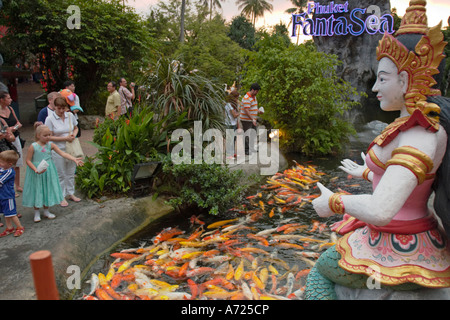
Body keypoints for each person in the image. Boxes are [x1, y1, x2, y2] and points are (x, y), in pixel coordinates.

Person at [304, 1, 450, 299]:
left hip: (403, 238)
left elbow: (382, 209)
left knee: (321, 269)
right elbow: (407, 182)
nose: (374, 88)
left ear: (407, 80)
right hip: (409, 228)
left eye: (382, 78)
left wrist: (333, 201)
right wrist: (367, 171)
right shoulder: (417, 124)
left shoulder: (420, 135)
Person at [22, 125, 83, 222]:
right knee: (37, 189)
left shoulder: (51, 145)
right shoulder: (33, 146)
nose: (48, 137)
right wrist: (36, 169)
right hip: (37, 171)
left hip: (48, 170)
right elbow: (28, 160)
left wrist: (74, 158)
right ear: (38, 135)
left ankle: (46, 210)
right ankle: (36, 212)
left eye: (49, 135)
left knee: (47, 189)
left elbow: (63, 153)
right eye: (45, 135)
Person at [44, 97, 80, 207]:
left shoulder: (70, 115)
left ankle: (71, 193)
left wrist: (74, 134)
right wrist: (64, 139)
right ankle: (61, 196)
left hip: (70, 147)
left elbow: (76, 127)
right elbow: (48, 137)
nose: (61, 111)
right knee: (60, 173)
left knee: (70, 172)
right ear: (55, 107)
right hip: (58, 149)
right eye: (59, 108)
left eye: (63, 108)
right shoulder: (50, 119)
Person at [0, 91, 23, 195]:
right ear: (2, 100)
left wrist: (12, 129)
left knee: (16, 162)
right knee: (5, 164)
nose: (11, 100)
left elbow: (18, 123)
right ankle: (8, 188)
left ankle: (17, 185)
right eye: (8, 98)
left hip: (12, 138)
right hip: (3, 144)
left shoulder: (11, 108)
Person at [0, 150, 24, 237]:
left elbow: (1, 181)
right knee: (6, 213)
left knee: (12, 213)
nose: (0, 163)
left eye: (2, 162)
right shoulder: (2, 169)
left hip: (7, 196)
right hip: (2, 196)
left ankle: (20, 227)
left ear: (9, 164)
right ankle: (9, 228)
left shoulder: (9, 172)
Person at [240, 83, 262, 155]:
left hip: (253, 119)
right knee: (247, 134)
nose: (257, 93)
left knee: (253, 133)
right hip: (246, 120)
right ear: (253, 90)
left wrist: (258, 111)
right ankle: (246, 150)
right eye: (256, 91)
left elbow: (253, 107)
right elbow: (247, 110)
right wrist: (252, 119)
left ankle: (251, 148)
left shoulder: (254, 97)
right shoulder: (247, 98)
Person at [224, 90, 240, 158]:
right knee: (230, 139)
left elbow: (236, 117)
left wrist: (238, 125)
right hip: (229, 124)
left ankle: (232, 153)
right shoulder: (229, 105)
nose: (237, 99)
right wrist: (240, 112)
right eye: (236, 98)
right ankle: (228, 154)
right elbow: (234, 115)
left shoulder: (233, 105)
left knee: (233, 139)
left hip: (233, 124)